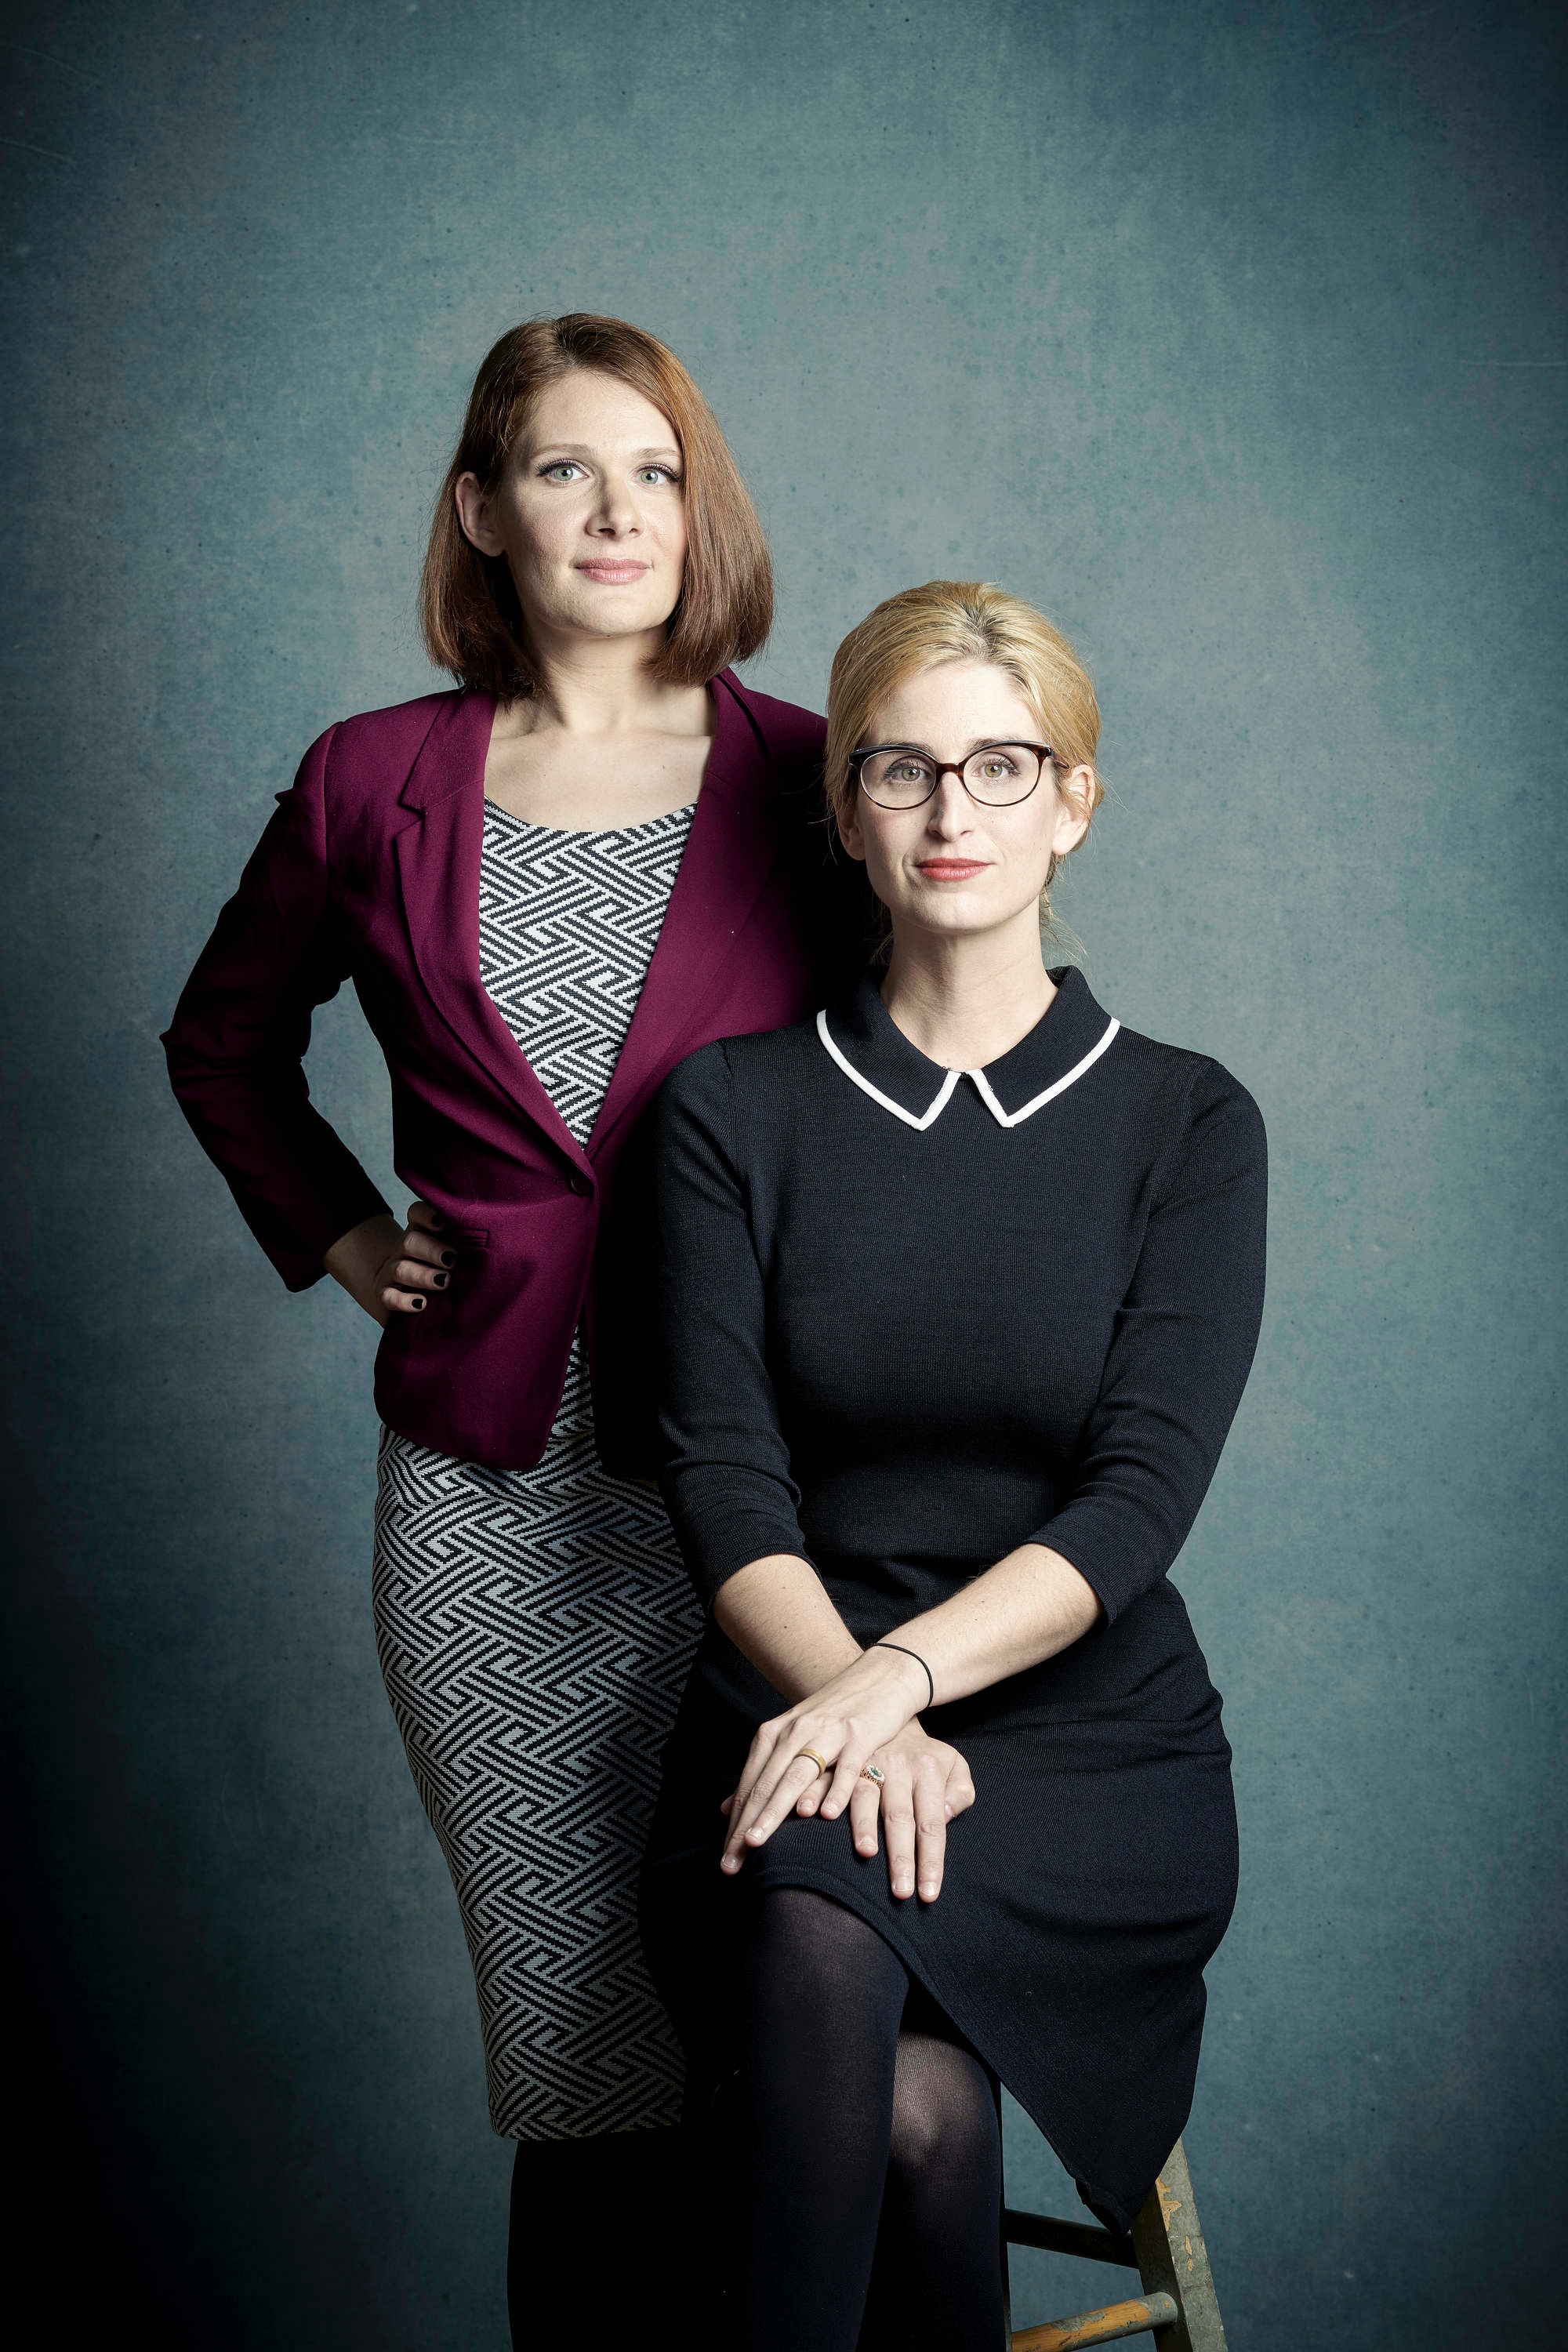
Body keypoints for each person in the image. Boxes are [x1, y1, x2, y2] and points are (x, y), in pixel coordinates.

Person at [161, 313, 868, 2340]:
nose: (619, 510)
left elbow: (925, 1085)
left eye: (655, 469)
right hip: (485, 1511)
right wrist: (342, 1236)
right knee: (581, 2057)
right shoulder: (371, 781)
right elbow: (223, 1049)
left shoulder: (812, 779)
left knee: (776, 2031)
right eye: (566, 469)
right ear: (486, 510)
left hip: (766, 1506)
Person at [643, 580, 1268, 2350]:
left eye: (1002, 767)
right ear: (841, 807)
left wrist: (896, 1693)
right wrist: (850, 1701)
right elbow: (721, 1479)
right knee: (865, 2012)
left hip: (1086, 1752)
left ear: (1077, 798)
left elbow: (1136, 1502)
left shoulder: (1186, 1122)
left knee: (827, 1888)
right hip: (788, 1698)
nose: (949, 813)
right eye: (900, 769)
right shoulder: (732, 1114)